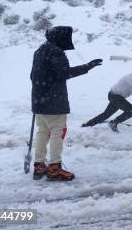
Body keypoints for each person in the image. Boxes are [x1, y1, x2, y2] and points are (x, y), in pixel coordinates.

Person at [30, 26, 102, 181]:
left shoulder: (39, 51)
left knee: (42, 131)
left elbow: (32, 75)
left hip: (38, 100)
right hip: (54, 102)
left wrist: (40, 94)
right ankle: (55, 168)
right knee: (56, 132)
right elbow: (65, 73)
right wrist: (87, 67)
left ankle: (39, 165)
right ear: (61, 38)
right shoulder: (56, 52)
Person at [82, 66, 132, 132]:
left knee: (106, 115)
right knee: (131, 111)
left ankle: (88, 124)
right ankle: (113, 123)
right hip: (114, 96)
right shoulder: (131, 78)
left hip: (118, 97)